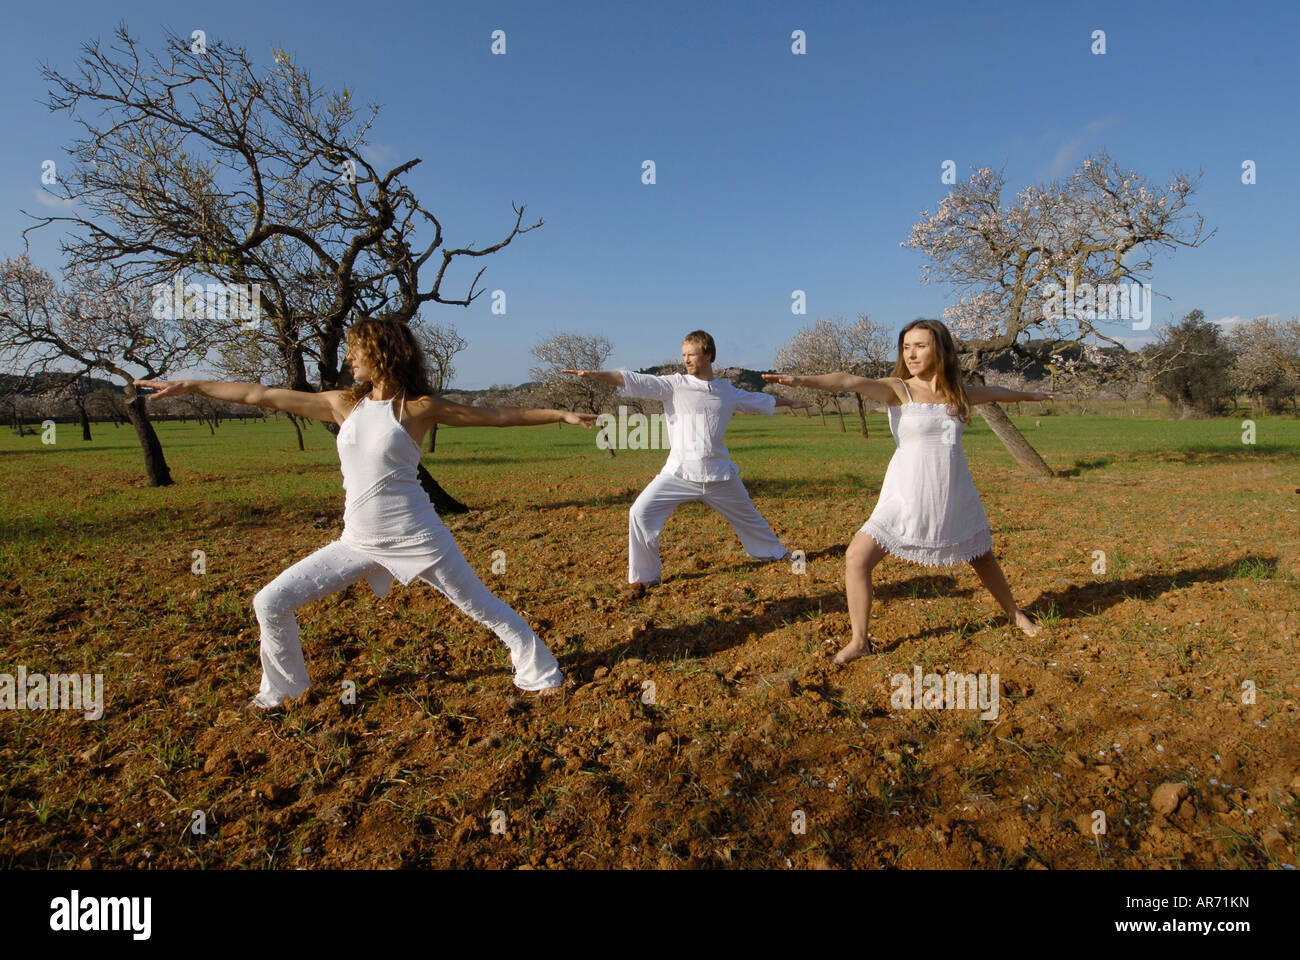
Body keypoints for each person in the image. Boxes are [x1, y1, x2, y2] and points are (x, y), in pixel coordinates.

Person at [134, 317, 595, 707]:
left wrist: (559, 413)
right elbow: (260, 395)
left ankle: (539, 672)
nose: (349, 359)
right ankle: (284, 692)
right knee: (270, 601)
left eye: (357, 351)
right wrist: (193, 384)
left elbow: (497, 416)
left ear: (384, 353)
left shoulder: (418, 408)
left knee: (484, 609)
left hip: (418, 536)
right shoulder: (343, 404)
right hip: (357, 541)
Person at [764, 318, 1052, 664]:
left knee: (982, 556)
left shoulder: (958, 392)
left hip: (951, 489)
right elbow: (849, 381)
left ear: (940, 349)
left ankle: (1015, 613)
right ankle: (859, 640)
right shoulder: (898, 389)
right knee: (856, 557)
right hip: (904, 492)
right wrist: (802, 380)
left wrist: (1032, 394)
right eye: (906, 347)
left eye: (920, 345)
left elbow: (997, 393)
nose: (911, 354)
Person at [564, 330, 808, 590]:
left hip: (719, 475)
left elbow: (760, 400)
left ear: (708, 355)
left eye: (691, 354)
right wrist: (595, 374)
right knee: (639, 512)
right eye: (684, 355)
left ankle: (774, 553)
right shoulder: (675, 384)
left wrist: (791, 402)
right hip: (679, 473)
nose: (686, 360)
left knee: (750, 518)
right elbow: (635, 380)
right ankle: (646, 577)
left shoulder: (727, 391)